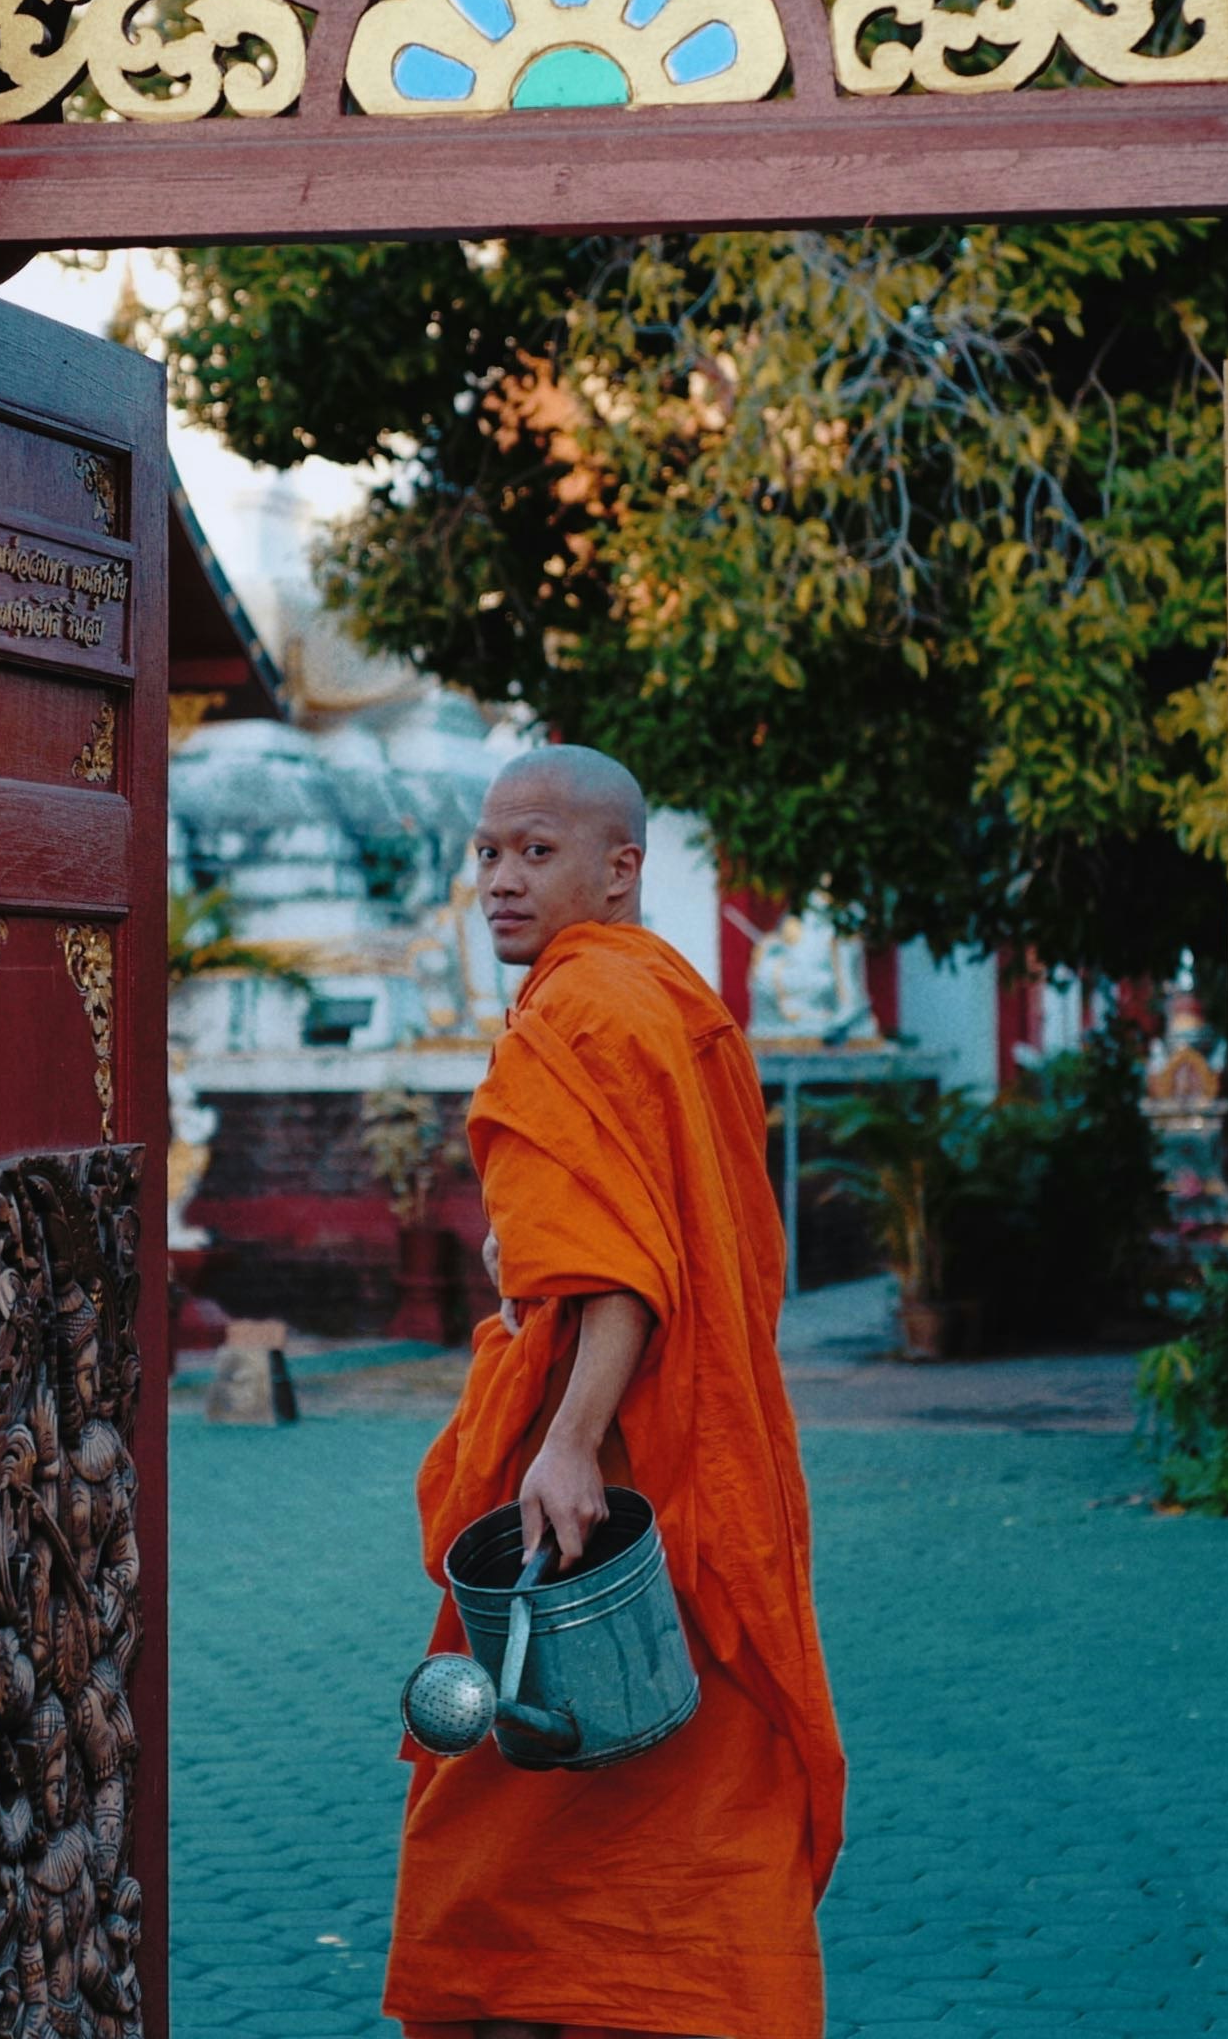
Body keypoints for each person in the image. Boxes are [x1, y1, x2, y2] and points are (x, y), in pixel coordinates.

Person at [384, 746, 847, 2039]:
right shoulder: (668, 999)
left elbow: (624, 1271)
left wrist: (572, 1444)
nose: (503, 881)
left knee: (521, 1820)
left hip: (609, 1503)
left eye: (537, 853)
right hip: (694, 1476)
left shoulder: (590, 1011)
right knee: (679, 1809)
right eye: (488, 853)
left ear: (621, 867)